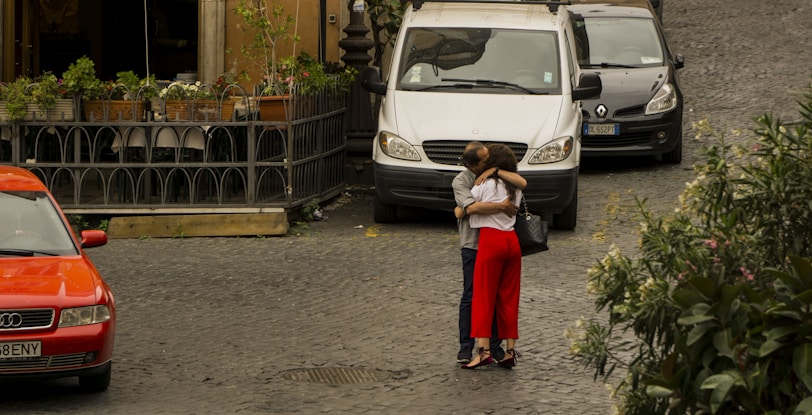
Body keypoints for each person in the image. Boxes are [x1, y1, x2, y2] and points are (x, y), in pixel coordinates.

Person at [452, 141, 526, 364]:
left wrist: (495, 172)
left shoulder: (490, 181)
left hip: (489, 243)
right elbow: (468, 208)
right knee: (480, 296)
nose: (489, 163)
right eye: (485, 161)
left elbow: (465, 210)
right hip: (488, 243)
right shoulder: (462, 181)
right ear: (474, 165)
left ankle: (488, 349)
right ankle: (473, 347)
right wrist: (503, 206)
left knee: (486, 297)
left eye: (491, 161)